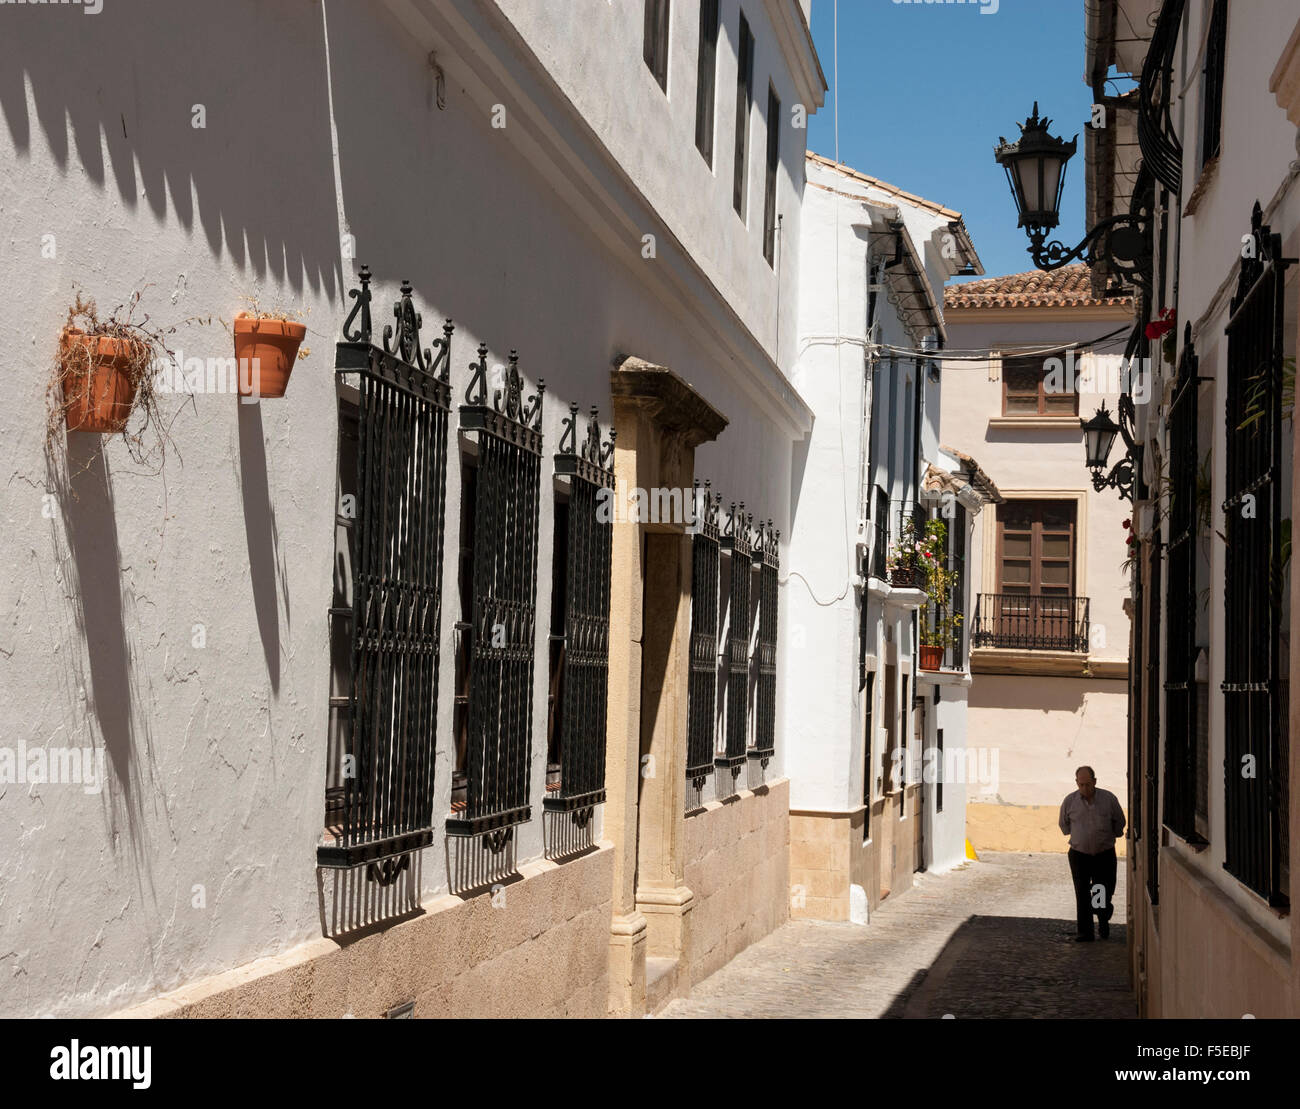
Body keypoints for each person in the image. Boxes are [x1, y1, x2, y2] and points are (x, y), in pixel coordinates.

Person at [1058, 766, 1125, 941]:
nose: (1085, 788)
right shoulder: (1070, 801)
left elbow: (1119, 822)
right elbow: (1064, 825)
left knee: (1100, 890)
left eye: (1088, 784)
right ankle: (1085, 932)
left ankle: (1103, 919)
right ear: (1076, 783)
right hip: (1079, 854)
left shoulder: (1108, 799)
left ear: (1095, 781)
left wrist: (1111, 836)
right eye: (1081, 785)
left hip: (1103, 854)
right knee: (1081, 892)